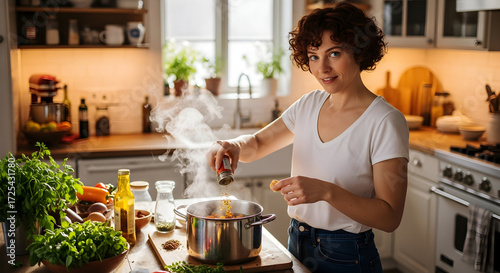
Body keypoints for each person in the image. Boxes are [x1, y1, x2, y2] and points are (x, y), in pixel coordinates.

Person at [206, 3, 409, 273]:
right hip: (297, 241)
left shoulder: (385, 121)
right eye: (313, 56)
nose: (322, 67)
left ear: (360, 51)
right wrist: (234, 145)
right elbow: (258, 144)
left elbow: (390, 216)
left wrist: (325, 191)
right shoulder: (310, 104)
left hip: (348, 255)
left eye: (333, 53)